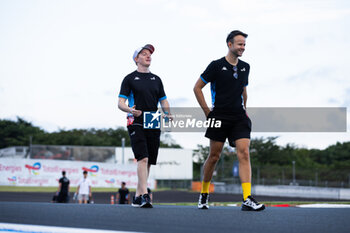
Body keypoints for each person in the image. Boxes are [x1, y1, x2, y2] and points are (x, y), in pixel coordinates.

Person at [193, 30, 265, 211]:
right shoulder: (216, 66)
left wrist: (245, 111)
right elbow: (197, 88)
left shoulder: (245, 67)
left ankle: (247, 198)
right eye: (240, 44)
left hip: (239, 117)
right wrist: (207, 112)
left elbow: (244, 91)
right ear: (229, 44)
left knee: (244, 153)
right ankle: (204, 193)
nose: (243, 48)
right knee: (214, 156)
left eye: (244, 45)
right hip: (219, 115)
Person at [118, 44, 171, 208]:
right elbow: (120, 103)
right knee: (143, 157)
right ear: (136, 59)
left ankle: (137, 196)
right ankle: (145, 194)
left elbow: (163, 100)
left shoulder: (157, 79)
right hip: (136, 119)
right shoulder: (129, 78)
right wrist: (129, 110)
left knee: (148, 161)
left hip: (153, 119)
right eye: (144, 54)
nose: (148, 56)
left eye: (149, 54)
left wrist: (168, 114)